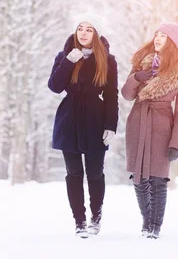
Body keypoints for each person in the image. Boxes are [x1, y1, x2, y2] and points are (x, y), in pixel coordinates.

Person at [48, 14, 118, 238]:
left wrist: (110, 125)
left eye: (89, 29)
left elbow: (111, 95)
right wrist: (69, 61)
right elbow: (55, 86)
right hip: (69, 120)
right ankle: (79, 221)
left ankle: (95, 218)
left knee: (95, 173)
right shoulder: (65, 56)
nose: (84, 33)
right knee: (74, 173)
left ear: (95, 34)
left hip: (95, 121)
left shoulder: (107, 60)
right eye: (80, 28)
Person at [121, 21, 178, 239]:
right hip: (138, 121)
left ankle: (155, 226)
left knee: (158, 178)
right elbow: (126, 94)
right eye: (156, 34)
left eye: (163, 35)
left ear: (173, 41)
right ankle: (146, 222)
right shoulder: (142, 62)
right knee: (139, 177)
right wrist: (136, 78)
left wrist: (176, 142)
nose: (158, 38)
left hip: (163, 126)